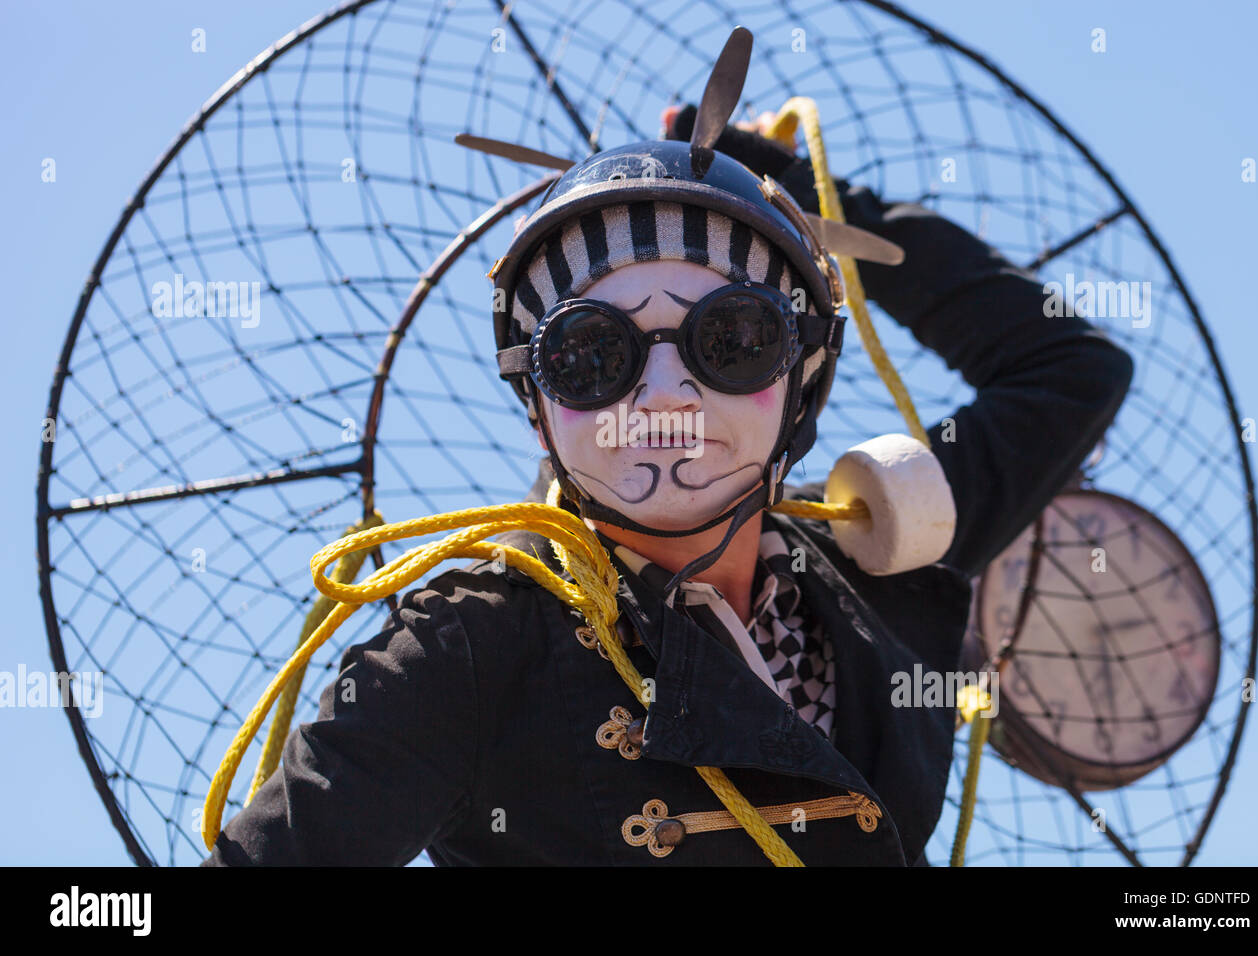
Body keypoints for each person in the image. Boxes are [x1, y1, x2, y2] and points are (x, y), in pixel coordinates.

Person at [201, 102, 1132, 867]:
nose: (662, 394)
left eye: (730, 341)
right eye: (590, 355)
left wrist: (798, 188)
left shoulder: (878, 555)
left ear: (804, 377)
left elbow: (1070, 371)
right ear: (539, 404)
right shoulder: (472, 642)